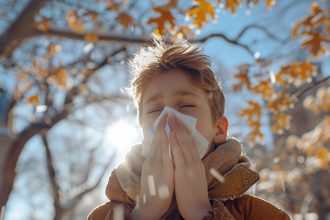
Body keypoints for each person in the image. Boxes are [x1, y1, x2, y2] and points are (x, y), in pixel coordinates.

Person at [88, 37, 290, 220]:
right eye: (155, 110)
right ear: (141, 129)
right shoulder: (104, 216)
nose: (168, 120)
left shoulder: (258, 214)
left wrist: (201, 212)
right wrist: (145, 213)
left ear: (218, 129)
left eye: (186, 106)